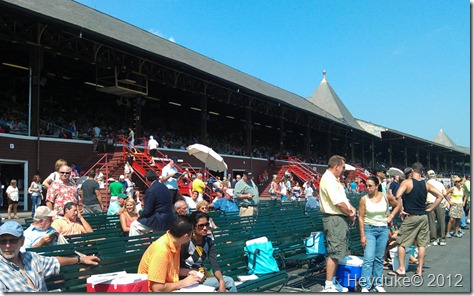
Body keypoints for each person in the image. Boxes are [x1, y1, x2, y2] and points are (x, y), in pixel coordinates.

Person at [0, 221, 99, 292]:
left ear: (22, 242)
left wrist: (80, 259)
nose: (7, 246)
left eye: (13, 241)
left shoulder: (31, 258)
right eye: (3, 241)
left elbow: (54, 261)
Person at [393, 162, 445, 277]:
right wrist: (430, 208)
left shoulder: (407, 182)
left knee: (401, 242)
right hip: (423, 216)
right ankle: (420, 269)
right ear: (422, 172)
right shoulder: (426, 184)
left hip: (411, 216)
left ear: (412, 171)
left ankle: (401, 268)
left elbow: (398, 195)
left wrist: (401, 210)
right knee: (421, 244)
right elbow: (440, 196)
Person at [319, 155, 356, 292]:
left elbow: (343, 200)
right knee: (334, 252)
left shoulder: (334, 180)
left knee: (339, 250)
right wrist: (350, 213)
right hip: (334, 218)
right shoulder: (328, 179)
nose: (344, 170)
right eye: (343, 167)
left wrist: (351, 209)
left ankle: (333, 281)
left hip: (339, 218)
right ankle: (328, 285)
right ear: (336, 166)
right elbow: (339, 203)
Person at [137, 216, 202, 292]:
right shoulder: (161, 251)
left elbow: (168, 271)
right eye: (192, 234)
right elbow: (157, 289)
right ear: (185, 236)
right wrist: (184, 282)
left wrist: (188, 272)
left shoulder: (175, 243)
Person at [358, 176, 400, 292]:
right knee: (368, 258)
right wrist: (362, 235)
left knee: (379, 258)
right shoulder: (364, 199)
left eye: (370, 185)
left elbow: (397, 205)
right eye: (366, 185)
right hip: (369, 229)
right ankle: (365, 285)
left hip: (382, 229)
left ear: (377, 186)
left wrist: (391, 216)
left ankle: (378, 284)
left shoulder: (385, 197)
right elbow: (361, 218)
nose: (367, 188)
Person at [180, 211, 237, 292]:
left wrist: (221, 281)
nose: (205, 228)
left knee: (227, 283)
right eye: (201, 226)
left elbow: (214, 264)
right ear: (193, 227)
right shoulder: (186, 242)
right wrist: (193, 273)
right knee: (228, 283)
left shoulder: (208, 241)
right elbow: (178, 267)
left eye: (207, 224)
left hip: (202, 278)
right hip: (187, 280)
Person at [129, 170, 174, 236]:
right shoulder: (165, 187)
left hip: (158, 220)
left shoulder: (150, 190)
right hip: (169, 219)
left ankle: (134, 245)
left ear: (147, 179)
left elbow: (147, 211)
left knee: (134, 225)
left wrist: (140, 218)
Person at [425, 170, 447, 245]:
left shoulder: (426, 183)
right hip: (439, 203)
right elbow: (445, 193)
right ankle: (442, 239)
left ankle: (433, 239)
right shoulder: (440, 183)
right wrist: (448, 202)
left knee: (432, 222)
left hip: (430, 203)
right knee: (441, 221)